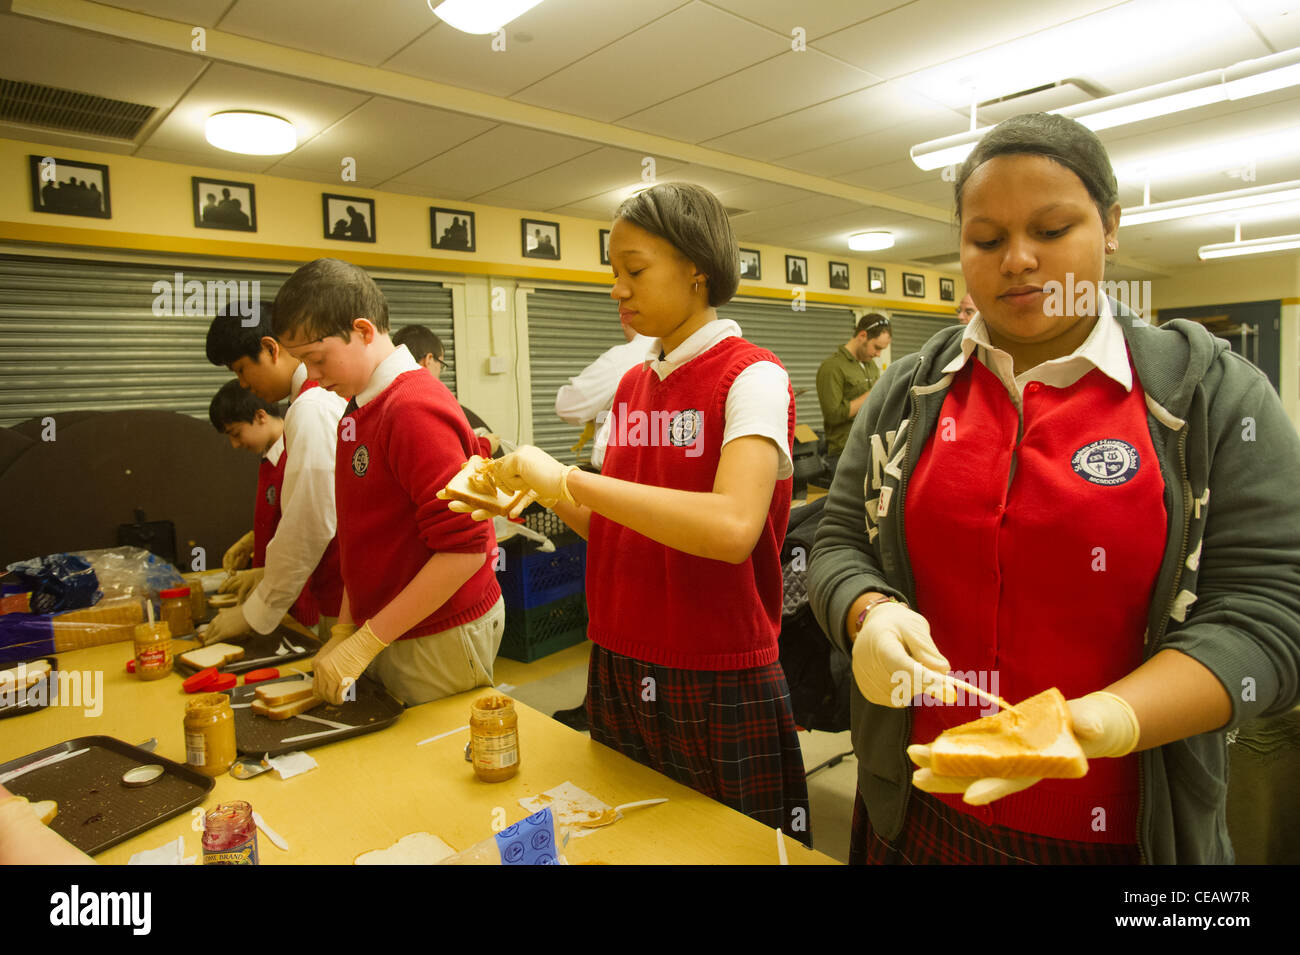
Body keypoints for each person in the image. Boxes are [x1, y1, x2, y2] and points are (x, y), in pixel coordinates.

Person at [807, 111, 1300, 865]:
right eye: (987, 239)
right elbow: (839, 538)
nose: (1019, 261)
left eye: (1051, 228)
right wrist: (864, 612)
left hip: (1126, 835)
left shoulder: (1211, 397)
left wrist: (1113, 718)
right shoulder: (907, 393)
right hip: (916, 806)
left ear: (1109, 227)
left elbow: (1272, 611)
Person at [454, 183, 811, 843]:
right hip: (620, 656)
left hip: (714, 671)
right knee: (633, 841)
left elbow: (732, 529)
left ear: (697, 269)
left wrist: (572, 480)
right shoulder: (632, 385)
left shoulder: (752, 376)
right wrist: (531, 489)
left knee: (732, 849)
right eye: (613, 273)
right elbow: (616, 525)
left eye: (635, 270)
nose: (617, 289)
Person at [272, 258, 504, 707]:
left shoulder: (412, 408)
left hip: (436, 631)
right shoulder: (358, 408)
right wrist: (345, 628)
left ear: (362, 330)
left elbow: (465, 550)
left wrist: (365, 640)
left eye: (316, 360)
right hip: (388, 629)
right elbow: (360, 538)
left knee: (429, 764)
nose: (314, 379)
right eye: (303, 364)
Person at [204, 301, 346, 644]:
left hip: (340, 598)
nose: (243, 384)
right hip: (336, 594)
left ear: (270, 348)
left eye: (241, 370)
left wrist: (256, 610)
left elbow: (311, 521)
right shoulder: (310, 403)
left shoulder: (311, 407)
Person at [206, 380, 327, 632]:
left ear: (261, 416)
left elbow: (307, 529)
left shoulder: (297, 454)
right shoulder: (269, 457)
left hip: (299, 601)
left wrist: (264, 578)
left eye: (236, 434)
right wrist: (252, 539)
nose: (235, 445)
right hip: (274, 599)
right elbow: (282, 515)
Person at [554, 313, 654, 469]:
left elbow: (567, 407)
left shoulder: (622, 359)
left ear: (623, 320)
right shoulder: (683, 352)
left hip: (623, 475)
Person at [815, 314, 892, 475]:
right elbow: (833, 415)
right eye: (877, 347)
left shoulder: (871, 366)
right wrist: (874, 392)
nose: (878, 354)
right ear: (862, 336)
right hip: (845, 454)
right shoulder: (832, 367)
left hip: (872, 449)